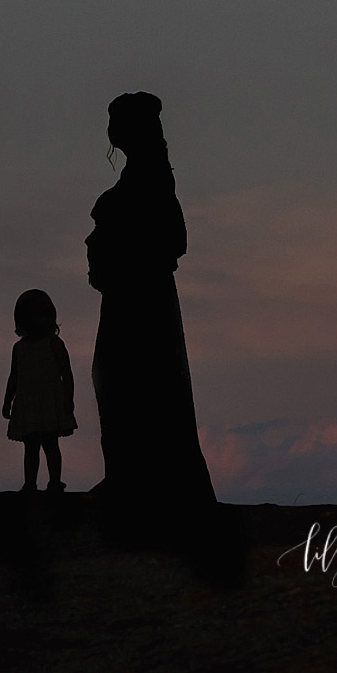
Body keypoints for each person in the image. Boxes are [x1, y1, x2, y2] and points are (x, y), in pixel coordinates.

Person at [85, 91, 217, 535]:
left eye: (116, 121)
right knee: (123, 384)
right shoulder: (146, 175)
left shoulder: (152, 177)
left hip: (140, 301)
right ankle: (133, 480)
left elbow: (171, 239)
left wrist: (117, 248)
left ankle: (142, 486)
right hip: (133, 299)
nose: (110, 129)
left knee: (134, 383)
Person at [0, 289, 77, 492]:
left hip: (49, 402)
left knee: (50, 444)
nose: (37, 321)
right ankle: (30, 483)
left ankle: (54, 481)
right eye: (32, 316)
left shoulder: (54, 344)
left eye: (41, 316)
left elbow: (66, 373)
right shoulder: (19, 348)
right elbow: (14, 376)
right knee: (31, 446)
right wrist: (7, 400)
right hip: (29, 403)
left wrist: (68, 399)